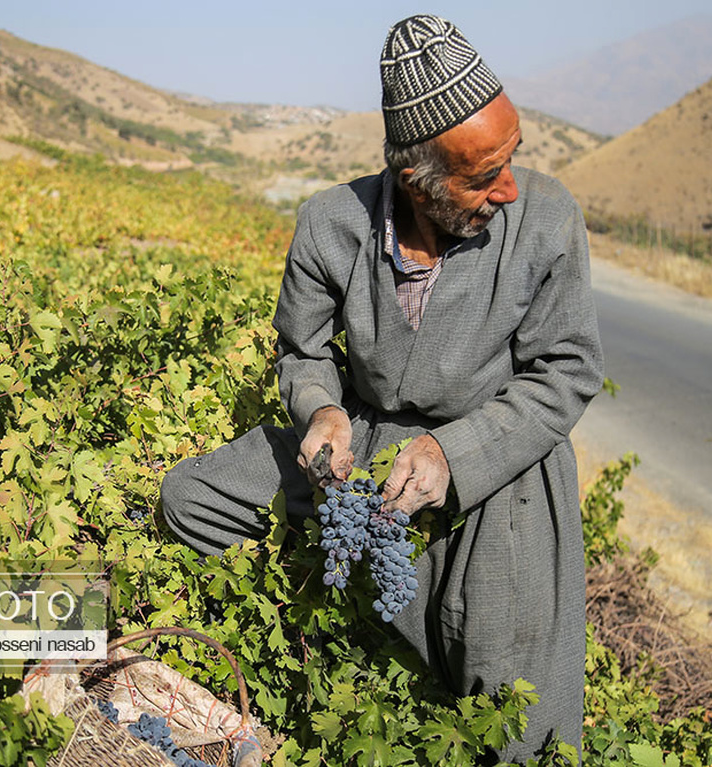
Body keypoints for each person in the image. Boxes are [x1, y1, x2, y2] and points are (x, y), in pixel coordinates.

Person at [161, 13, 603, 762]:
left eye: (511, 159)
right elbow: (301, 353)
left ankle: (420, 621)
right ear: (415, 180)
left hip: (496, 458)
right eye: (480, 176)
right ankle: (345, 610)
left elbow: (564, 374)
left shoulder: (546, 218)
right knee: (189, 499)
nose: (507, 189)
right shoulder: (331, 223)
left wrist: (450, 454)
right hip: (363, 447)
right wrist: (323, 409)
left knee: (512, 701)